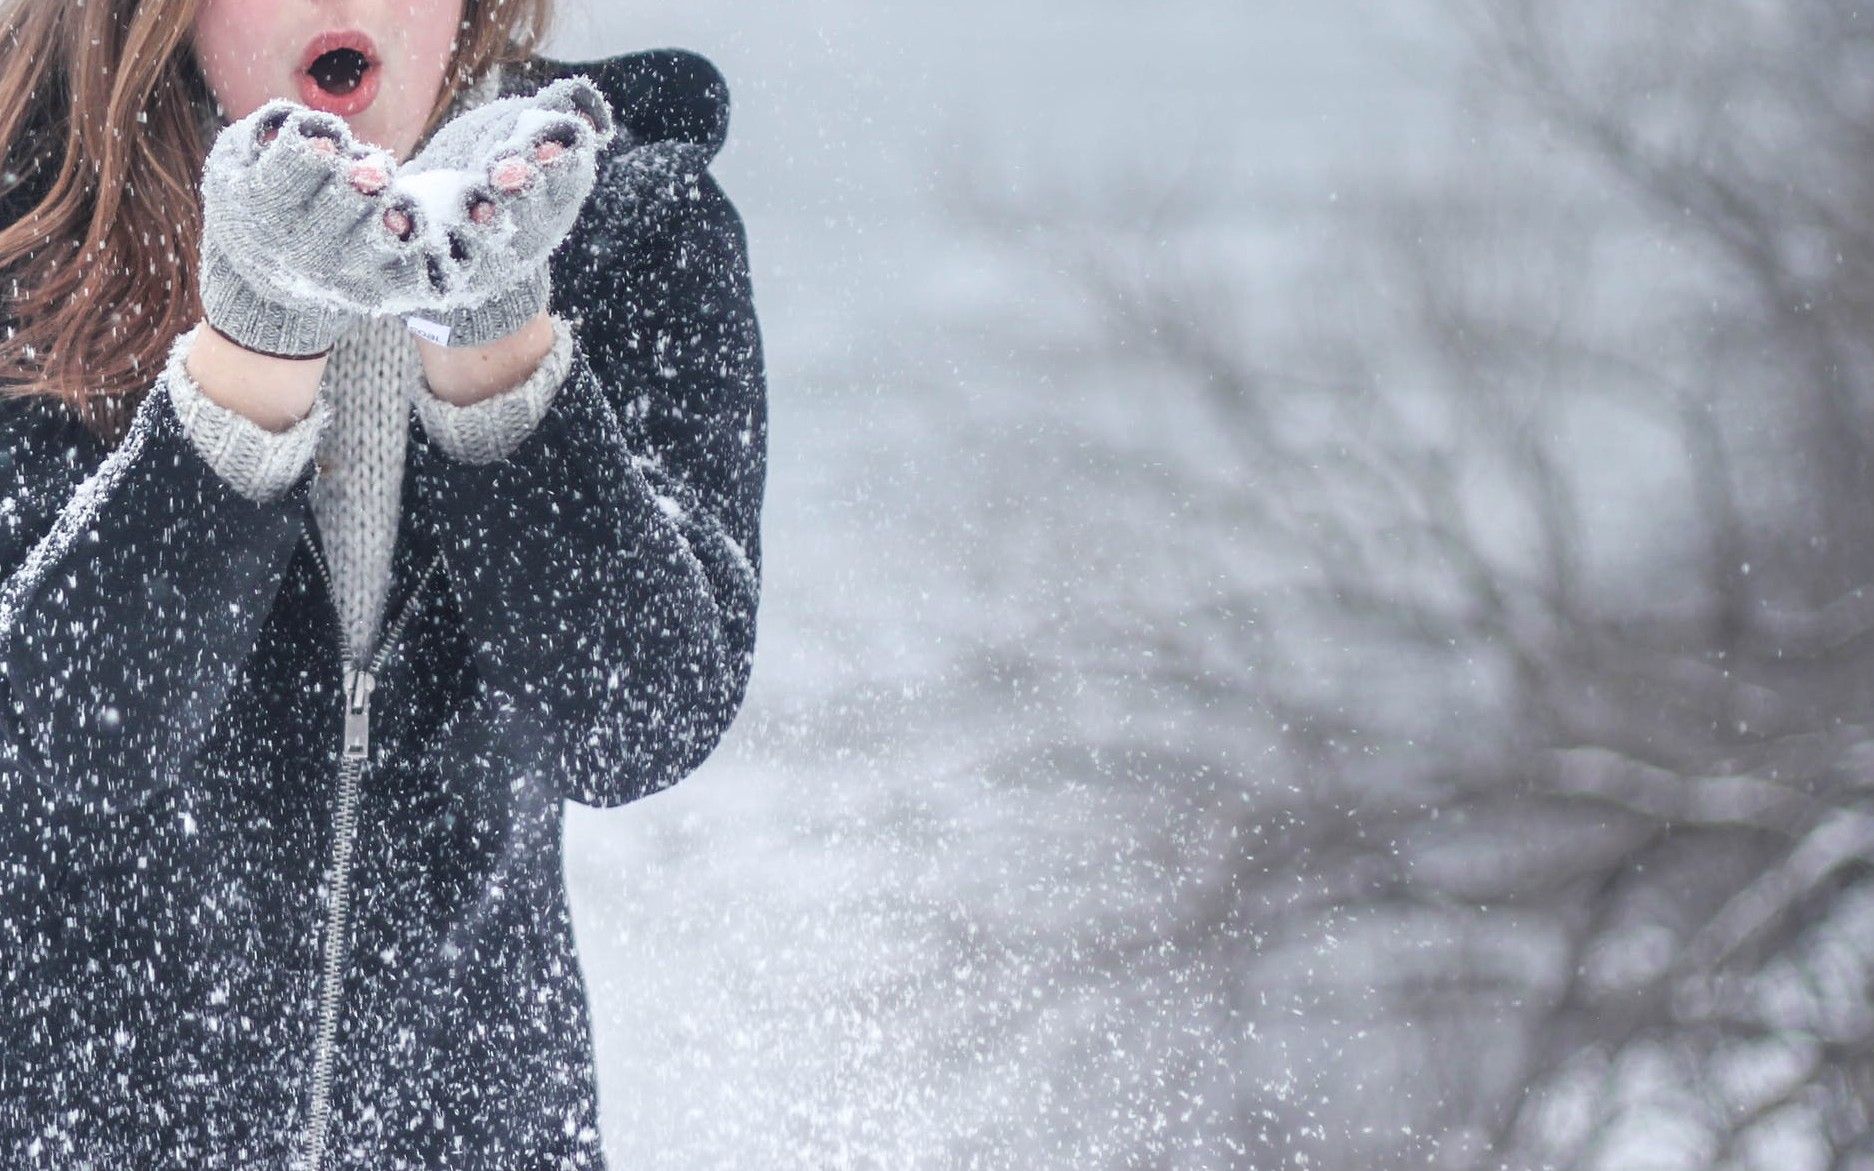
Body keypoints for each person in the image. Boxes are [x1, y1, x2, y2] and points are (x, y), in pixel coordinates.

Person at [0, 0, 767, 1167]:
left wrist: (497, 343)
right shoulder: (29, 234)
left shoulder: (625, 226)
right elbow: (48, 746)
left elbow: (636, 721)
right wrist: (253, 350)